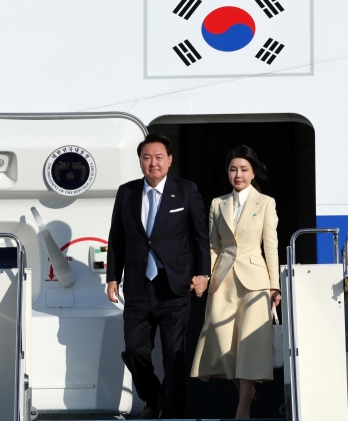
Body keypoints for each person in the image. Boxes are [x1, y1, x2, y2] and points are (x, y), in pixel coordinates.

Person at [106, 133, 210, 419]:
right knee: (135, 350)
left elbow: (200, 237)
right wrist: (112, 277)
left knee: (173, 354)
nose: (153, 163)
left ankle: (172, 410)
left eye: (159, 157)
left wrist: (204, 273)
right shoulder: (126, 192)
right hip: (138, 286)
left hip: (175, 285)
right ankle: (153, 398)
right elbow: (117, 238)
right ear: (140, 161)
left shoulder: (186, 190)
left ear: (170, 160)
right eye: (147, 158)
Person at [190, 145, 281, 419]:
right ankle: (245, 391)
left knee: (250, 343)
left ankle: (243, 405)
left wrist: (274, 284)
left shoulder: (266, 203)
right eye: (233, 169)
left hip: (255, 280)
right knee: (221, 340)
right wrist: (206, 275)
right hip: (223, 279)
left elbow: (271, 245)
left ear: (253, 173)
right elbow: (212, 246)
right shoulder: (218, 203)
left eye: (243, 169)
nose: (238, 174)